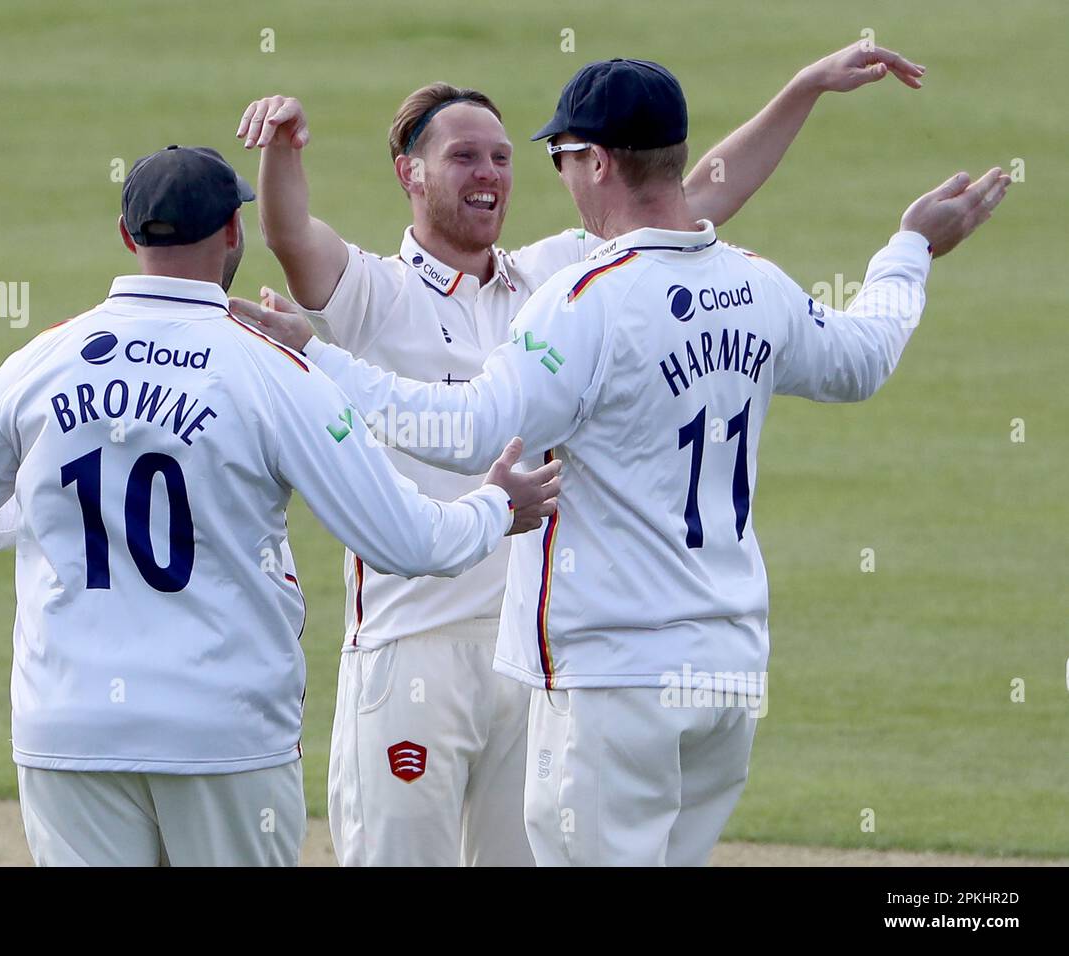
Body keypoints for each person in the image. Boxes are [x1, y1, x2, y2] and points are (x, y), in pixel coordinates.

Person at [235, 59, 1010, 865]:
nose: (520, 176)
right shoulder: (756, 284)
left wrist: (313, 363)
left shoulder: (579, 296)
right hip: (725, 670)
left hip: (611, 675)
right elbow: (864, 357)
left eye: (548, 158)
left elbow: (467, 430)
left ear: (594, 161)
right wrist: (909, 251)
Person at [0, 145, 560, 867]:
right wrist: (496, 505)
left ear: (128, 237)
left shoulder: (46, 358)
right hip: (221, 731)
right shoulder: (269, 369)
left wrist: (44, 511)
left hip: (68, 728)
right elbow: (406, 540)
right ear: (233, 235)